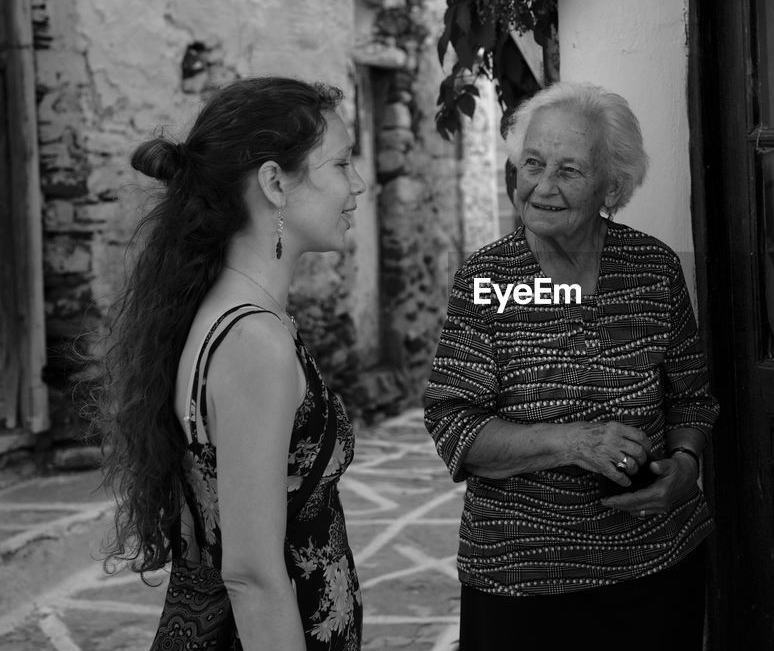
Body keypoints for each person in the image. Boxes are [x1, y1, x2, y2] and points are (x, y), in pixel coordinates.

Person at [423, 81, 718, 650]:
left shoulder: (651, 269)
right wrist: (576, 442)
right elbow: (454, 424)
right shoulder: (489, 281)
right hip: (521, 575)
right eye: (532, 164)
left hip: (656, 564)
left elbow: (691, 397)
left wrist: (685, 464)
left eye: (569, 170)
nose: (542, 187)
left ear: (612, 184)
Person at [94, 77, 365, 650]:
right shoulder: (252, 341)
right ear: (274, 182)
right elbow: (252, 574)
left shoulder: (236, 315)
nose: (358, 185)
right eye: (341, 165)